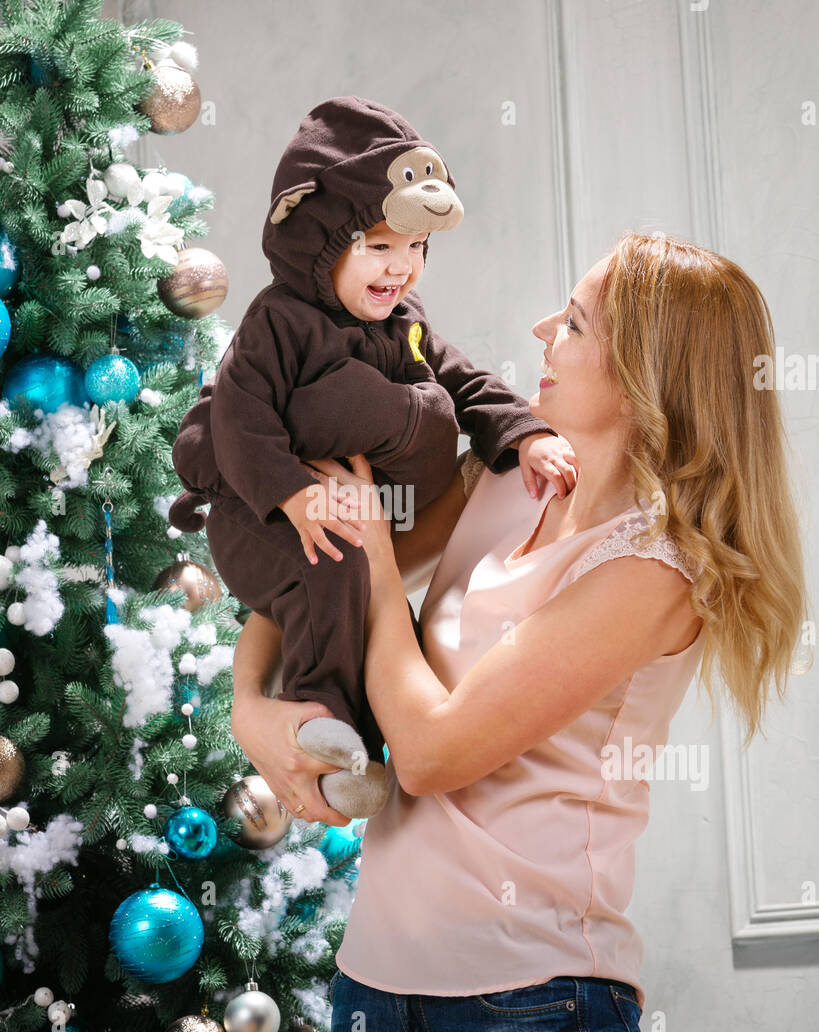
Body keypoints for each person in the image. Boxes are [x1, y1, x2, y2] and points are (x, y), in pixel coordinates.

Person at [230, 232, 808, 1032]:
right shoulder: (503, 477)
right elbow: (309, 571)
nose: (542, 329)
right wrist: (247, 702)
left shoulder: (656, 571)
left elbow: (428, 753)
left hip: (536, 1011)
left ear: (642, 374)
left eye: (573, 322)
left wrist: (380, 564)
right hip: (372, 992)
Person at [168, 97, 577, 819]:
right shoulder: (278, 321)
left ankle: (342, 748)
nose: (403, 270)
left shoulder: (404, 323)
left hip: (354, 506)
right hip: (256, 516)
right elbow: (239, 416)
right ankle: (328, 711)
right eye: (381, 247)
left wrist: (524, 434)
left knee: (350, 572)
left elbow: (467, 379)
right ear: (322, 242)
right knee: (333, 553)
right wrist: (291, 492)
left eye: (416, 250)